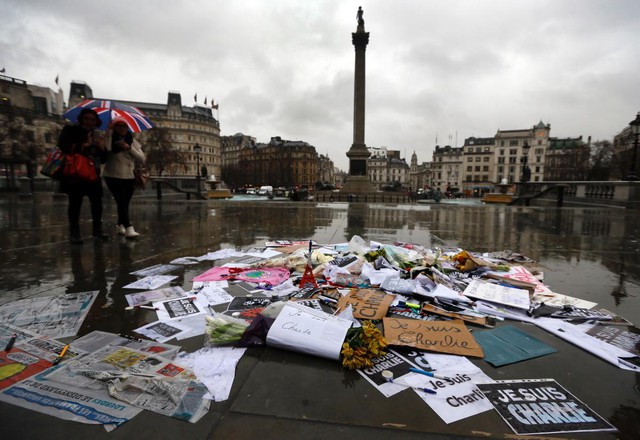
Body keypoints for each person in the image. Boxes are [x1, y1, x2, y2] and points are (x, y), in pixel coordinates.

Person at [57, 108, 108, 245]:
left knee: (97, 204)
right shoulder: (70, 130)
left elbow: (103, 159)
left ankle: (97, 231)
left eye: (92, 120)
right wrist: (83, 145)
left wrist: (102, 148)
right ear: (81, 119)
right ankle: (74, 233)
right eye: (87, 119)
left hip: (93, 174)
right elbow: (63, 146)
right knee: (75, 204)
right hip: (76, 174)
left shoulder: (97, 135)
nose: (90, 122)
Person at [103, 117, 145, 239]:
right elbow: (108, 150)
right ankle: (129, 228)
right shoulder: (110, 138)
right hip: (112, 175)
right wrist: (109, 132)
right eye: (119, 126)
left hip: (129, 176)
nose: (122, 128)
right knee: (121, 200)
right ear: (114, 127)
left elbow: (141, 159)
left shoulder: (133, 141)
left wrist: (129, 148)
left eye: (124, 126)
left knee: (125, 203)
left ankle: (120, 224)